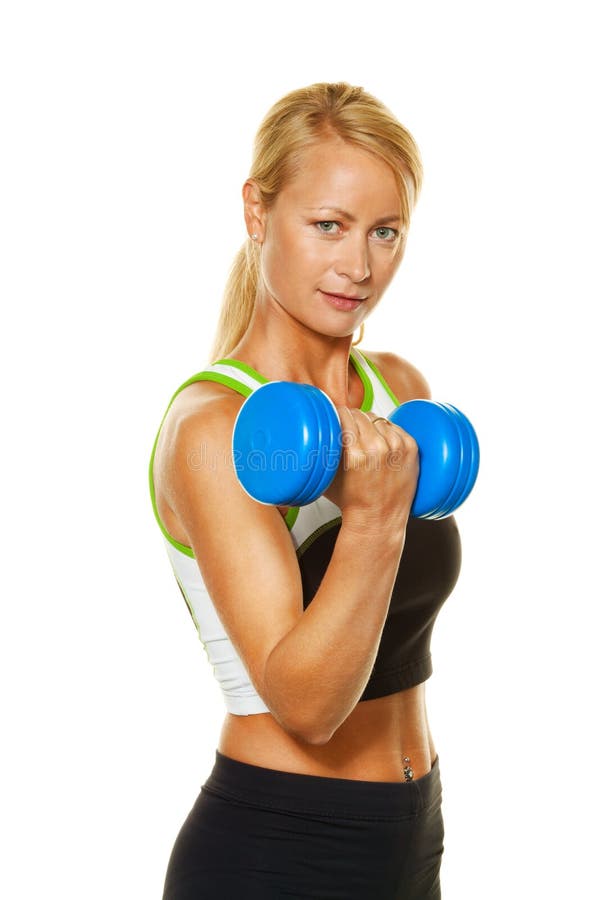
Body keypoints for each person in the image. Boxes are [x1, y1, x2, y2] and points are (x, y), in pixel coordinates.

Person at [149, 81, 463, 899]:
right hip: (278, 847)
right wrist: (375, 516)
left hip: (412, 836)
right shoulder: (216, 429)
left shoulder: (397, 388)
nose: (359, 267)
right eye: (328, 225)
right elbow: (308, 706)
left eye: (384, 231)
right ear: (257, 212)